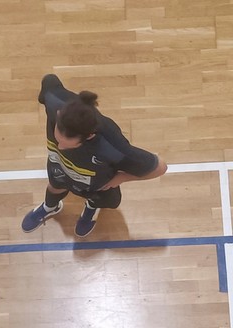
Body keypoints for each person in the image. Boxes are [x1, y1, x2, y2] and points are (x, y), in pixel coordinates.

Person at [21, 74, 168, 237]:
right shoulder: (53, 100)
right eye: (57, 138)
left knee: (98, 199)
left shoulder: (114, 148)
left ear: (89, 136)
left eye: (66, 143)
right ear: (59, 113)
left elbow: (160, 167)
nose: (60, 146)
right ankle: (50, 207)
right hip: (60, 167)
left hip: (97, 183)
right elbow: (50, 80)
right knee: (54, 186)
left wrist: (122, 178)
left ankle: (91, 207)